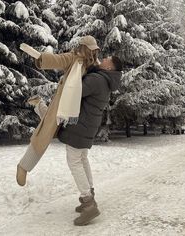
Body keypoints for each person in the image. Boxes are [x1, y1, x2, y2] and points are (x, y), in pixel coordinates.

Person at [27, 56, 123, 226]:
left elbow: (73, 91)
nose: (104, 58)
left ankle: (88, 203)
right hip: (87, 125)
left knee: (74, 161)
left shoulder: (97, 79)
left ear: (109, 68)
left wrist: (70, 74)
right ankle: (89, 196)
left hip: (81, 126)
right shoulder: (104, 80)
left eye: (107, 59)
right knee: (82, 158)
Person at [16, 36, 99, 185]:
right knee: (45, 133)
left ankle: (38, 103)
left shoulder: (94, 67)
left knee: (79, 152)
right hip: (63, 104)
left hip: (78, 112)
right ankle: (23, 166)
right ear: (84, 49)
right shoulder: (74, 58)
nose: (92, 54)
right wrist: (40, 56)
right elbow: (58, 59)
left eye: (94, 51)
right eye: (90, 50)